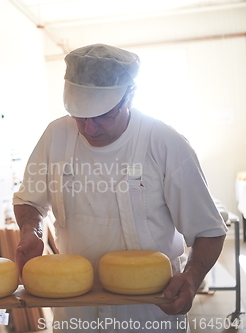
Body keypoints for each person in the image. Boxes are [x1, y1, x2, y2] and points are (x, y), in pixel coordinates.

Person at [13, 44, 227, 332]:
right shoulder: (56, 136)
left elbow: (208, 230)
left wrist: (192, 277)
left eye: (103, 115)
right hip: (76, 308)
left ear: (131, 96)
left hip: (149, 311)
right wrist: (32, 230)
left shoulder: (164, 143)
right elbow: (30, 201)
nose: (89, 129)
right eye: (80, 116)